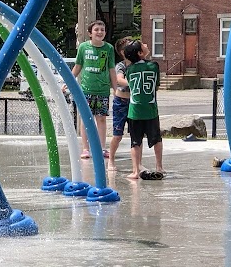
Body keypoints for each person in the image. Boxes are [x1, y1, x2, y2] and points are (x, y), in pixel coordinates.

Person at [70, 20, 117, 159]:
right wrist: (69, 81)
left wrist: (115, 88)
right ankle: (85, 148)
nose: (100, 32)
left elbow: (112, 69)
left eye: (102, 30)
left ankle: (102, 148)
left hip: (102, 90)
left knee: (101, 119)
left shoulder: (108, 48)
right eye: (96, 30)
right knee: (86, 119)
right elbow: (78, 66)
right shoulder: (84, 47)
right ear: (90, 33)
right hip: (86, 89)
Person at [124, 39, 165, 181]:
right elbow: (157, 86)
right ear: (141, 53)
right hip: (151, 109)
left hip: (134, 111)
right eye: (143, 45)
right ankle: (159, 167)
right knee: (156, 139)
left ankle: (135, 171)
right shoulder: (154, 66)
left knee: (135, 141)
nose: (147, 45)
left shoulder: (129, 70)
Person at [107, 36, 133, 172]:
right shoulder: (121, 65)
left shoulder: (139, 64)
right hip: (121, 102)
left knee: (136, 135)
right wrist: (134, 84)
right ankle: (111, 159)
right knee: (117, 135)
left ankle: (137, 164)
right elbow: (119, 80)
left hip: (134, 102)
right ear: (123, 52)